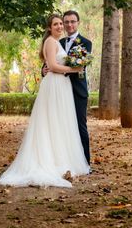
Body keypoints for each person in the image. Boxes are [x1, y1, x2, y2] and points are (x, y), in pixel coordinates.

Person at [0, 14, 90, 188]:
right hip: (56, 85)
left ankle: (73, 160)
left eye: (63, 23)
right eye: (57, 24)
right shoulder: (52, 42)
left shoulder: (78, 42)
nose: (61, 26)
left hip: (67, 87)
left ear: (76, 23)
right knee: (52, 122)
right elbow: (52, 65)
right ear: (49, 27)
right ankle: (50, 162)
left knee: (65, 124)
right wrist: (74, 69)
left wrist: (64, 69)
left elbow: (53, 63)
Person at [60, 10, 92, 165]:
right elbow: (48, 62)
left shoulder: (85, 43)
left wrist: (57, 68)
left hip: (77, 90)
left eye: (72, 21)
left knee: (80, 126)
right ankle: (65, 161)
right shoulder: (58, 43)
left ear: (78, 22)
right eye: (66, 22)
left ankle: (85, 163)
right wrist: (44, 70)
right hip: (59, 91)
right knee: (61, 126)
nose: (69, 25)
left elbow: (79, 66)